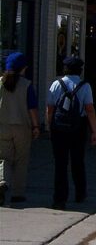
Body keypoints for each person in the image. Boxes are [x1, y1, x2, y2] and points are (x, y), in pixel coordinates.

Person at [47, 57, 96, 210]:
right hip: (78, 126)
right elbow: (89, 109)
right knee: (77, 161)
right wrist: (94, 131)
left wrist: (50, 127)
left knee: (60, 164)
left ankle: (60, 199)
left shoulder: (56, 84)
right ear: (80, 70)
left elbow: (50, 109)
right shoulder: (85, 86)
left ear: (65, 69)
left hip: (59, 127)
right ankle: (80, 193)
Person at [0, 52, 40, 206]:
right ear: (23, 68)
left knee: (3, 158)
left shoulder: (1, 83)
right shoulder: (26, 85)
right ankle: (18, 193)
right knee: (21, 160)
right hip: (22, 127)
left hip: (2, 126)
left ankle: (2, 181)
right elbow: (32, 108)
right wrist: (36, 126)